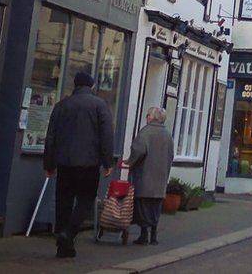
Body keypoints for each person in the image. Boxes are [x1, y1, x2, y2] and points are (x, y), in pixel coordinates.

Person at [44, 71, 114, 259]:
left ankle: (64, 246)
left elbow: (50, 136)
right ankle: (69, 233)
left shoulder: (61, 105)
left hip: (65, 162)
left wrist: (49, 164)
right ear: (91, 86)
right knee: (85, 199)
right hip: (89, 163)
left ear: (75, 86)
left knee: (64, 200)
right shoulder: (100, 105)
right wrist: (108, 161)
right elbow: (106, 135)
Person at [122, 107, 174, 245]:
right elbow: (170, 155)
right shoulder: (167, 135)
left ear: (152, 117)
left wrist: (130, 161)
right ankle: (154, 236)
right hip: (160, 177)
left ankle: (144, 235)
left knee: (143, 205)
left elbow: (138, 150)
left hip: (145, 176)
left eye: (148, 115)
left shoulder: (146, 132)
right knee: (155, 206)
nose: (146, 117)